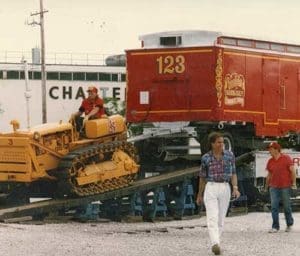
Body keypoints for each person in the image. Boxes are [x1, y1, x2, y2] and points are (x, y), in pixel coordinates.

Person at [196, 132, 240, 255]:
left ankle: (217, 242)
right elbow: (202, 177)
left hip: (225, 187)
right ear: (212, 144)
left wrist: (235, 188)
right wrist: (199, 194)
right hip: (211, 187)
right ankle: (214, 243)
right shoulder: (206, 158)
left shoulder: (230, 156)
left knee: (221, 218)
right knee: (212, 216)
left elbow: (234, 173)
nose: (222, 144)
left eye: (222, 142)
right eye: (219, 142)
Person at [265, 141, 297, 233]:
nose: (269, 151)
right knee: (274, 206)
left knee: (287, 206)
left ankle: (289, 224)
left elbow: (293, 171)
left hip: (285, 186)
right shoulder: (270, 161)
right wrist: (266, 186)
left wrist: (294, 183)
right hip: (273, 187)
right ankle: (275, 227)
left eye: (270, 149)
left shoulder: (286, 158)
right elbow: (269, 175)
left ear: (276, 150)